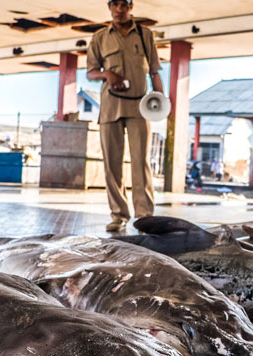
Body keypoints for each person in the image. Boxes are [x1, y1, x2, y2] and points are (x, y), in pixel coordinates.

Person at [87, 0, 163, 232]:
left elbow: (154, 71)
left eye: (124, 4)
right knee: (113, 164)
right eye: (115, 4)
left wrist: (161, 100)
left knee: (141, 163)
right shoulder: (100, 37)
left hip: (139, 108)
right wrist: (106, 74)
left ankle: (144, 216)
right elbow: (90, 73)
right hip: (110, 108)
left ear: (131, 7)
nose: (119, 9)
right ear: (109, 6)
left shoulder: (145, 34)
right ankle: (119, 214)